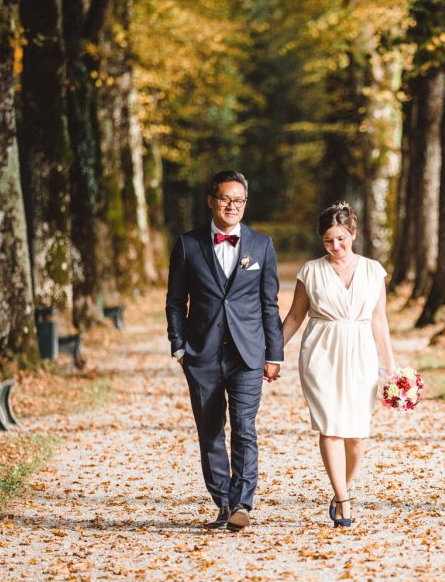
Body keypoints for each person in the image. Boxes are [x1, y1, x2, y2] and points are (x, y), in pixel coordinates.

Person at [165, 171, 283, 532]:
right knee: (211, 430)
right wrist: (179, 347)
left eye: (239, 200)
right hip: (202, 355)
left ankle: (242, 504)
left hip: (248, 353)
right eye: (225, 199)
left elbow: (269, 304)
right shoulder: (187, 245)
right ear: (211, 201)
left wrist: (273, 353)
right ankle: (223, 502)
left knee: (245, 428)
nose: (232, 206)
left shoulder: (262, 245)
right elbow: (174, 301)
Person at [281, 202, 396, 528]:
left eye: (342, 239)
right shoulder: (311, 271)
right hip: (320, 353)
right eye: (329, 240)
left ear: (353, 234)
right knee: (330, 427)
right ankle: (343, 499)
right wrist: (270, 352)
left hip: (360, 352)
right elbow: (294, 317)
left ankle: (341, 489)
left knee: (357, 435)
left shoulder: (374, 270)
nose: (336, 247)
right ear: (321, 239)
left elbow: (379, 320)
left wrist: (391, 365)